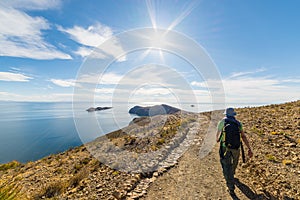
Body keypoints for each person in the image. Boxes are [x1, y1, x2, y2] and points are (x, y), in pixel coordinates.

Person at [216, 107, 253, 196]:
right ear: (233, 115)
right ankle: (232, 174)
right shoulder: (238, 123)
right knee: (234, 162)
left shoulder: (222, 122)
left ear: (226, 114)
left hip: (225, 147)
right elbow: (243, 136)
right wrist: (249, 148)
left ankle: (230, 185)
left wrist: (217, 139)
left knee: (226, 165)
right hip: (236, 147)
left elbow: (218, 133)